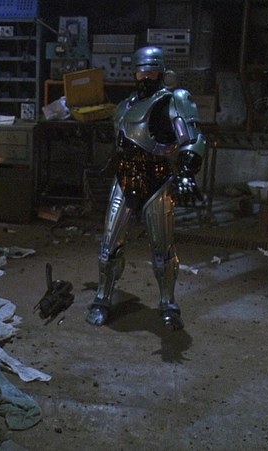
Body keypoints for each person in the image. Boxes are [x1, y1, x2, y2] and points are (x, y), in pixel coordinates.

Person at [86, 46, 207, 331]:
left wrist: (187, 172)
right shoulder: (125, 106)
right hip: (124, 180)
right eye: (141, 72)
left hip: (157, 180)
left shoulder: (173, 100)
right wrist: (110, 164)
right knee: (108, 248)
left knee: (162, 251)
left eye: (151, 72)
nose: (145, 77)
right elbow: (122, 143)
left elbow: (193, 139)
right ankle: (102, 297)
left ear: (162, 72)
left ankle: (168, 303)